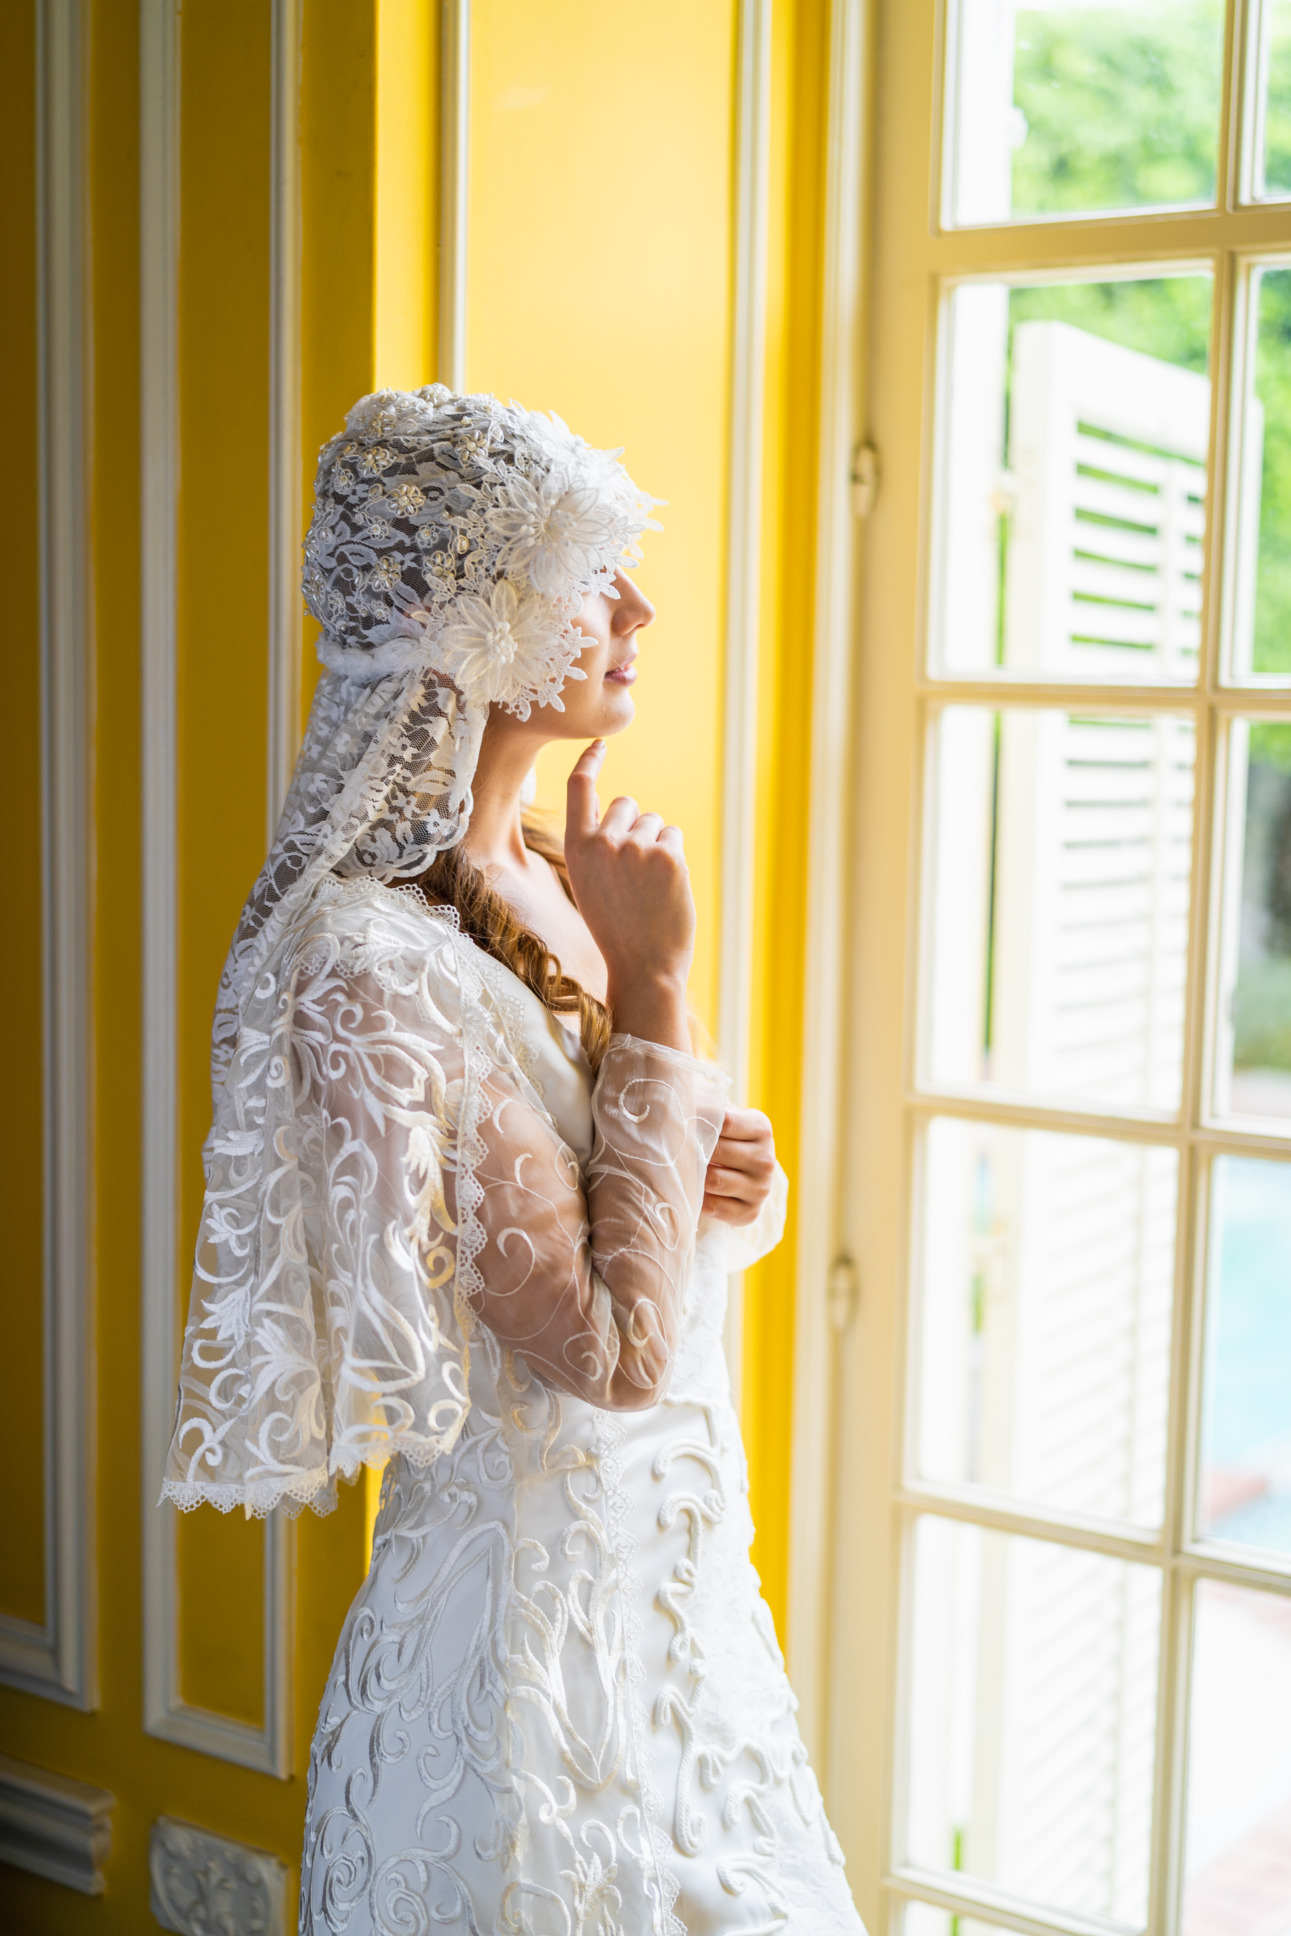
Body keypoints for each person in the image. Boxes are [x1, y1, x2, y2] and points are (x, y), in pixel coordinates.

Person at [162, 386, 864, 1935]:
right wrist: (664, 991)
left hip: (674, 1617)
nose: (640, 604)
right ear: (451, 614)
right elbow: (607, 1351)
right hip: (523, 1681)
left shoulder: (561, 878)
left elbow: (655, 1231)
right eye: (581, 567)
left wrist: (715, 1178)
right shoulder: (368, 961)